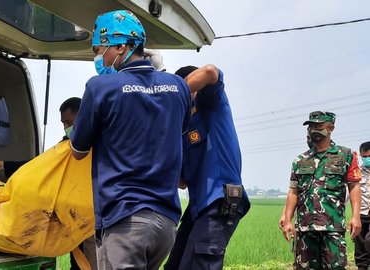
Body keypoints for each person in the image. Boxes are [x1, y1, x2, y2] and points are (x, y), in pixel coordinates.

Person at [70, 10, 191, 269]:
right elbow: (175, 129)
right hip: (166, 223)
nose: (98, 57)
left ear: (120, 46)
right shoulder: (178, 87)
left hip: (126, 221)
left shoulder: (100, 88)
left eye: (99, 50)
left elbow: (78, 150)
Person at [0, 97, 97, 269]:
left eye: (68, 122)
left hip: (95, 221)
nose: (66, 128)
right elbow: (40, 166)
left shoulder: (100, 144)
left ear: (82, 117)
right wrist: (5, 166)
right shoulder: (65, 148)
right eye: (63, 124)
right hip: (74, 219)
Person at [164, 65, 250, 270]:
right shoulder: (183, 128)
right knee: (174, 264)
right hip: (198, 207)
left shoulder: (210, 103)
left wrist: (171, 96)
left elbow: (211, 72)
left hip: (220, 201)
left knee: (198, 264)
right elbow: (182, 182)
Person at [282, 111, 362, 269]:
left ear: (331, 128)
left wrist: (355, 216)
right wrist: (288, 219)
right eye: (311, 126)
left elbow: (354, 186)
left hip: (332, 226)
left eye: (318, 126)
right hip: (305, 228)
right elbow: (293, 192)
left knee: (335, 267)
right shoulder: (300, 160)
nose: (313, 130)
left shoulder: (346, 155)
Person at [356, 141, 370, 269]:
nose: (366, 159)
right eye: (364, 157)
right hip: (362, 213)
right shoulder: (357, 173)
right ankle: (362, 267)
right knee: (360, 244)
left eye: (369, 156)